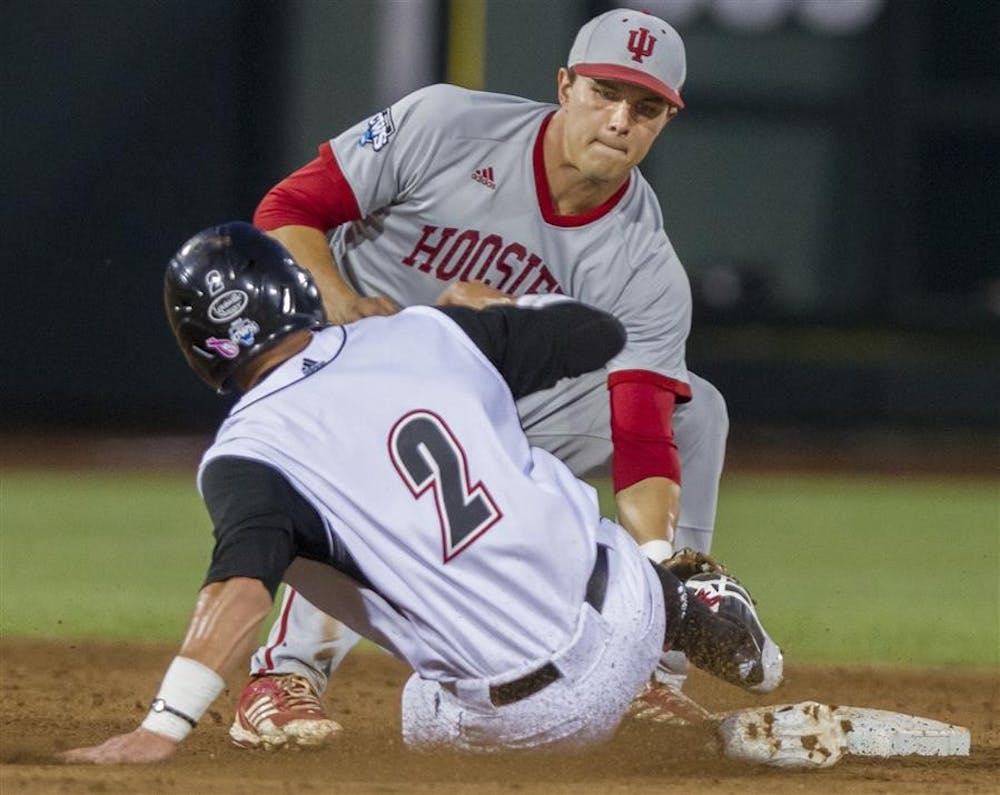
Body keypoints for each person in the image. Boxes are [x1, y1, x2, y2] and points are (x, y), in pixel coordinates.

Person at [232, 7, 782, 747]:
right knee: (389, 459)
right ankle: (284, 675)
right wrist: (345, 304)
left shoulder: (644, 261)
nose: (620, 119)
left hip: (504, 402)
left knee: (697, 410)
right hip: (351, 381)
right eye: (604, 93)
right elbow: (289, 207)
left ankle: (653, 662)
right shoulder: (445, 124)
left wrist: (661, 572)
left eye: (645, 107)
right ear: (564, 85)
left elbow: (643, 435)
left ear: (663, 122)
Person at [61, 222, 778, 763]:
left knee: (418, 706)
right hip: (627, 597)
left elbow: (242, 592)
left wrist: (162, 725)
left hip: (540, 719)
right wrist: (502, 310)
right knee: (527, 476)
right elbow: (594, 334)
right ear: (297, 287)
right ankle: (680, 600)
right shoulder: (424, 332)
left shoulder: (246, 453)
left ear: (197, 345)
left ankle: (639, 728)